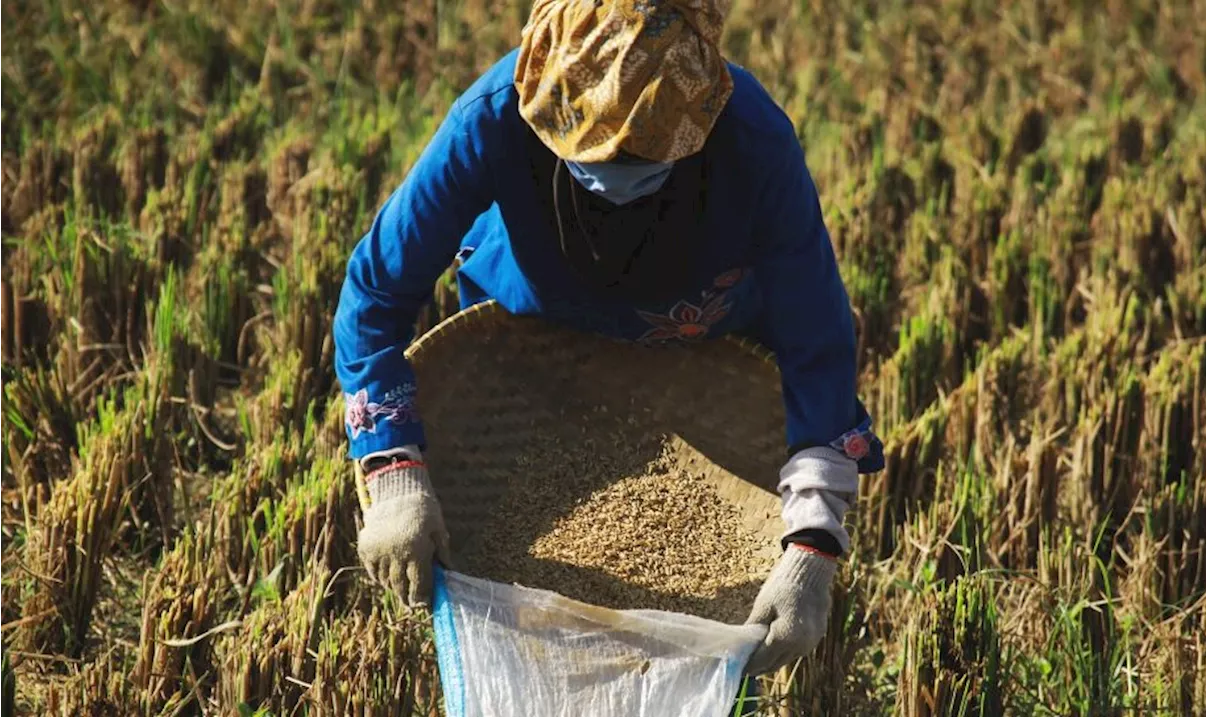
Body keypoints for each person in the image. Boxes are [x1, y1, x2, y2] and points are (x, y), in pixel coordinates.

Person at [333, 0, 885, 681]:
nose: (617, 167)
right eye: (596, 150)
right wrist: (394, 473)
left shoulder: (751, 141)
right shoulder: (495, 118)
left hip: (704, 344)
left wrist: (812, 543)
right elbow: (377, 291)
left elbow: (816, 335)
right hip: (535, 345)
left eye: (647, 152)